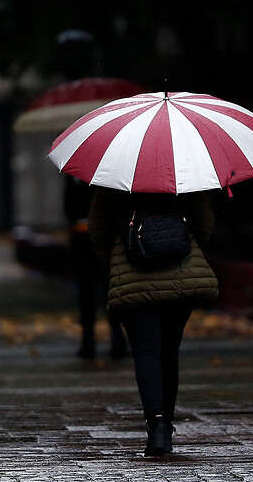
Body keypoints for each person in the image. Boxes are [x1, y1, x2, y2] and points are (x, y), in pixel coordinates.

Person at [87, 187, 218, 456]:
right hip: (182, 273)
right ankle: (166, 425)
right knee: (169, 352)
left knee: (146, 352)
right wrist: (185, 248)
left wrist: (113, 264)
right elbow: (205, 225)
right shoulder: (186, 172)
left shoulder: (113, 177)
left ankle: (157, 426)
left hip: (132, 274)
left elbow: (98, 232)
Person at [63, 174, 127, 360]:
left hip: (82, 238)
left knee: (87, 291)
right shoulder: (108, 174)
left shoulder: (74, 173)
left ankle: (89, 340)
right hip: (104, 238)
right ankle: (116, 337)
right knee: (109, 288)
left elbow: (68, 207)